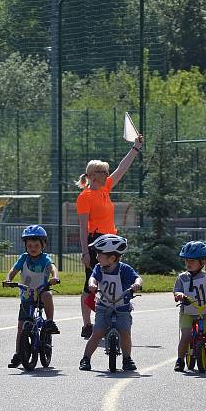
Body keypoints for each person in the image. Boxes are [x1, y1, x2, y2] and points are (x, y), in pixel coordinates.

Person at [77, 134, 143, 340]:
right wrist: (86, 252)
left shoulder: (105, 188)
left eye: (107, 171)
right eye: (103, 172)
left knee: (114, 278)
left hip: (112, 241)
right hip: (95, 241)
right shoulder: (85, 196)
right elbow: (82, 227)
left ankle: (112, 318)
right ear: (93, 175)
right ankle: (87, 324)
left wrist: (135, 148)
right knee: (91, 282)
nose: (107, 174)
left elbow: (122, 169)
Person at [78, 234, 142, 372]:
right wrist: (92, 284)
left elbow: (137, 278)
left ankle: (127, 359)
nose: (96, 257)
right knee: (97, 332)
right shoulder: (99, 268)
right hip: (103, 306)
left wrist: (137, 284)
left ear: (112, 258)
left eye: (99, 254)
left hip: (122, 307)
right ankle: (86, 359)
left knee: (125, 332)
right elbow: (93, 278)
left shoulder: (124, 269)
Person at [3, 225, 60, 369]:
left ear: (43, 245)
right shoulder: (24, 258)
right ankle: (18, 353)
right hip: (27, 295)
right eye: (29, 245)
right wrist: (8, 279)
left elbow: (52, 267)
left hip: (41, 293)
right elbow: (14, 270)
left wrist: (55, 277)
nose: (32, 248)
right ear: (25, 246)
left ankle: (49, 322)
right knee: (21, 327)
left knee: (48, 294)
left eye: (36, 245)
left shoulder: (46, 258)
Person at [172, 241, 206, 372]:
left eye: (192, 261)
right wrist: (179, 295)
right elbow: (177, 290)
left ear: (202, 262)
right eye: (186, 260)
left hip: (205, 313)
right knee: (185, 336)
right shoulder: (182, 278)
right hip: (187, 313)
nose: (188, 263)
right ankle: (180, 360)